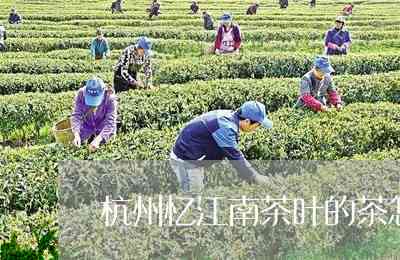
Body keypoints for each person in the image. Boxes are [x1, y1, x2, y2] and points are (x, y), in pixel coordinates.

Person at [170, 101, 273, 194]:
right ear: (247, 121)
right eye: (257, 125)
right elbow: (236, 157)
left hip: (194, 155)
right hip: (186, 161)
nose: (256, 129)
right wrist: (256, 177)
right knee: (193, 197)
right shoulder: (225, 127)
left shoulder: (230, 117)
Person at [71, 77, 117, 152]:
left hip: (104, 127)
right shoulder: (81, 94)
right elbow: (76, 115)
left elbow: (110, 123)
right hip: (87, 126)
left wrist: (98, 140)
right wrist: (76, 134)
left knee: (104, 149)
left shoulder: (110, 98)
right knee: (77, 146)